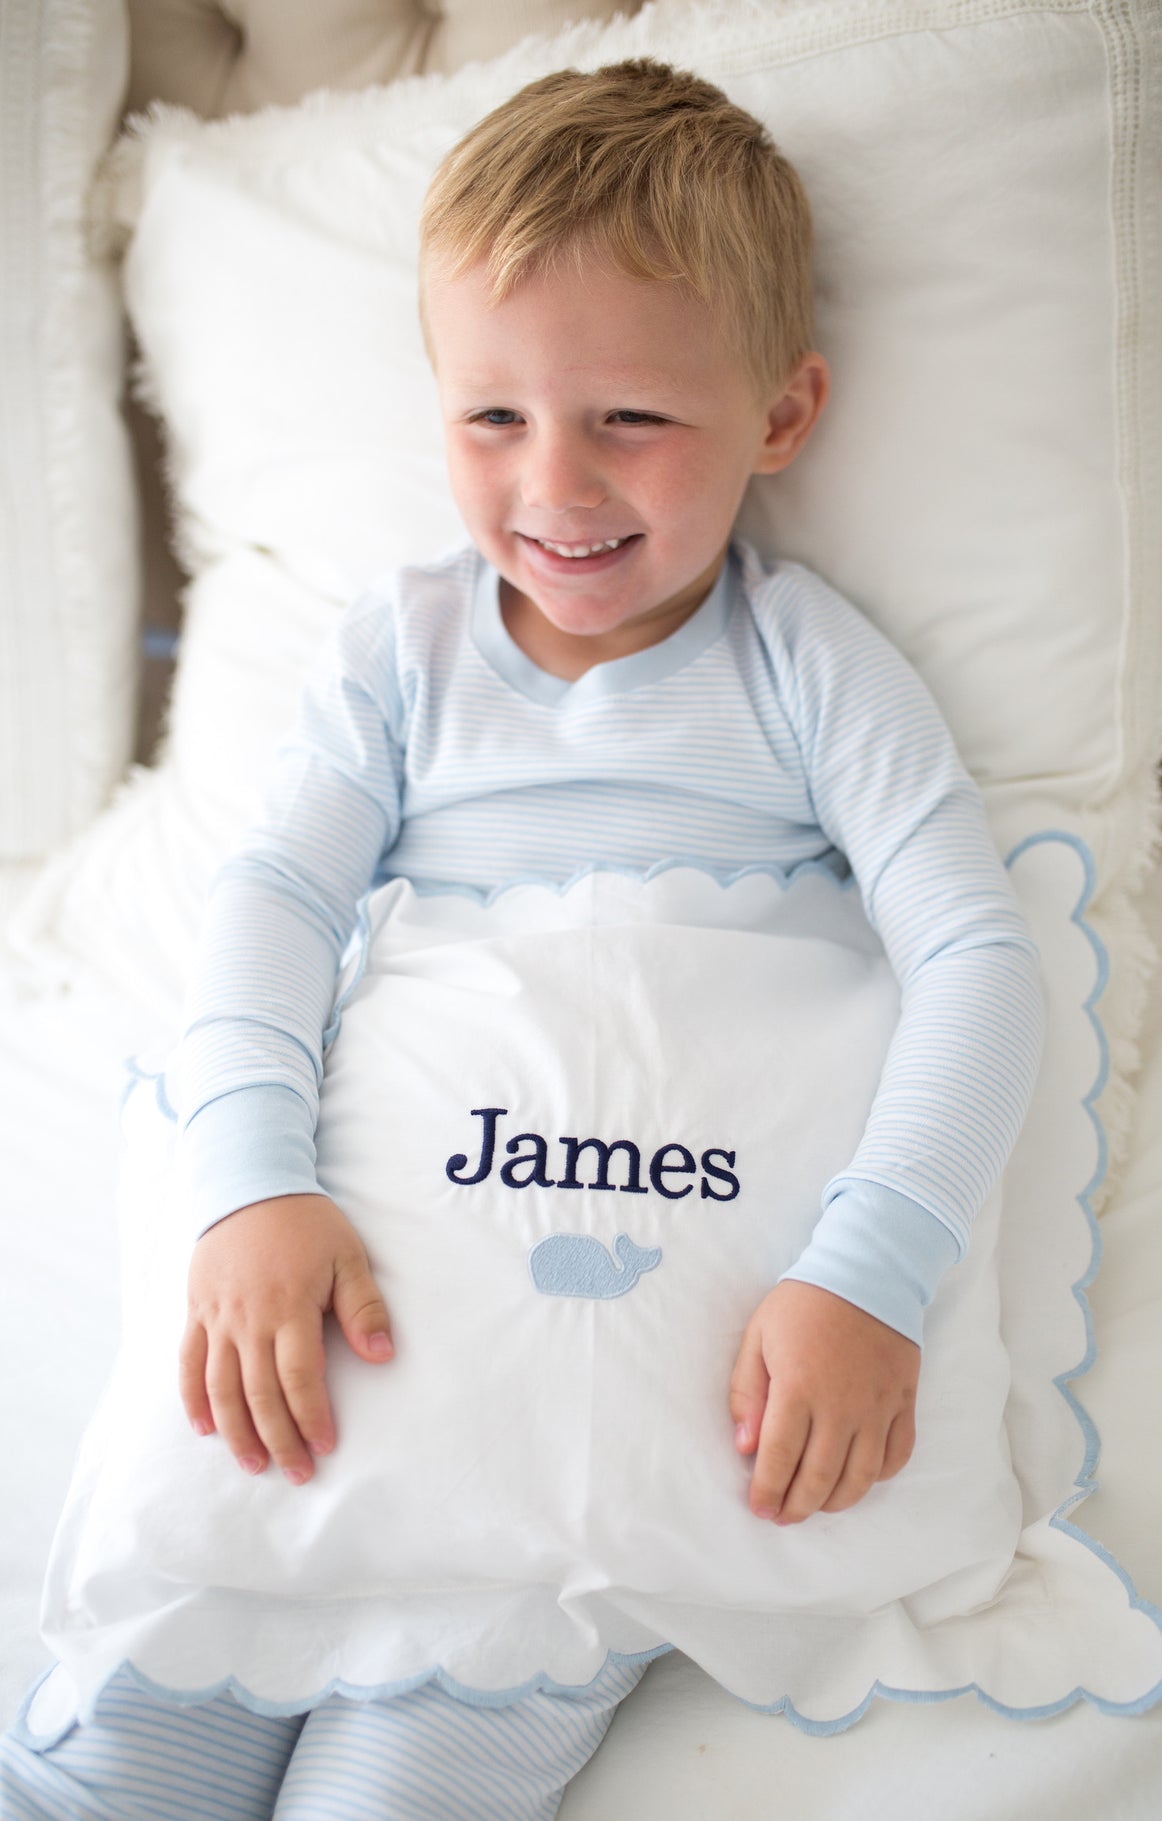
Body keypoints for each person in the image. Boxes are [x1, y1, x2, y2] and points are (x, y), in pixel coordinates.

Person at [1, 58, 1044, 1821]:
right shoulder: (399, 654)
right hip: (357, 1314)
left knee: (412, 1784)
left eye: (629, 418)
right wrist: (249, 1181)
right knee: (117, 1752)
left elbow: (975, 957)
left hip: (593, 1383)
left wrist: (870, 1270)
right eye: (492, 419)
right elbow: (271, 905)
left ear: (779, 416)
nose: (553, 484)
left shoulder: (804, 671)